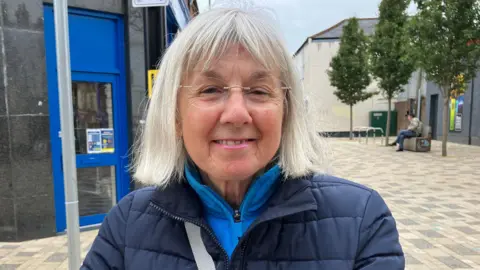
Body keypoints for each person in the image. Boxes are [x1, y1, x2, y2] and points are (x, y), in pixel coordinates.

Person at [81, 5, 404, 270]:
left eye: (259, 91)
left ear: (286, 112)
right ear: (175, 116)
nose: (237, 113)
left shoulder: (361, 221)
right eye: (210, 90)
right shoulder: (126, 226)